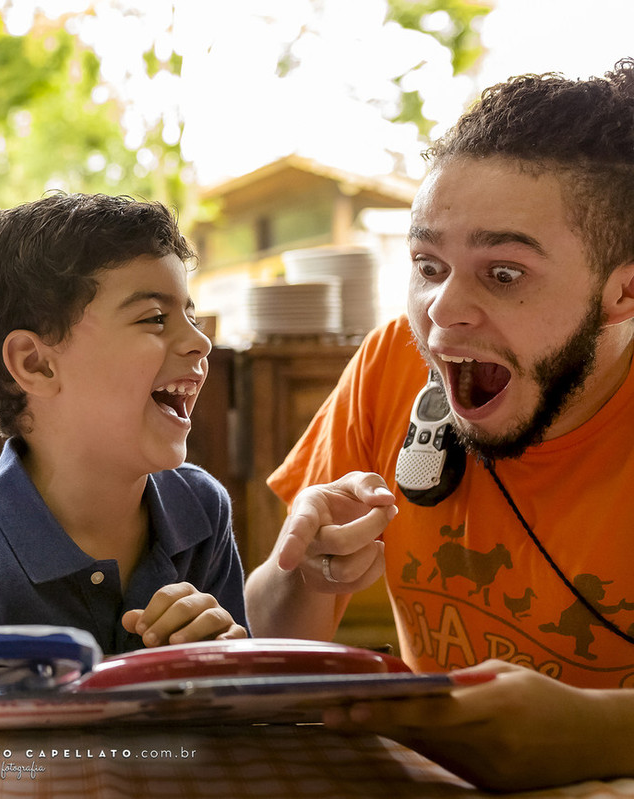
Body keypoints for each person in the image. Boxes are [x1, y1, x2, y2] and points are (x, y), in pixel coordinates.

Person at [244, 59, 634, 791]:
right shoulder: (392, 362)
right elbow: (270, 637)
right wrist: (311, 577)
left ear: (624, 291)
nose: (441, 310)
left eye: (505, 272)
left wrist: (597, 731)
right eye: (428, 263)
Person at [0, 193, 249, 711]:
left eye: (189, 316)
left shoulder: (200, 512)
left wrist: (231, 665)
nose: (200, 343)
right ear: (34, 364)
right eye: (154, 318)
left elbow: (236, 714)